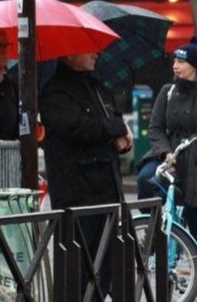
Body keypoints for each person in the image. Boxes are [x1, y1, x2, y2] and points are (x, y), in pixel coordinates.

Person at [140, 38, 197, 302]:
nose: (175, 65)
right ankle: (151, 233)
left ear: (194, 66)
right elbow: (156, 128)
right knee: (146, 180)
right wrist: (165, 152)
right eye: (174, 60)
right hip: (173, 159)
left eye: (180, 61)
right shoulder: (167, 91)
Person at [39, 51, 133, 298]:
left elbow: (113, 118)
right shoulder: (55, 92)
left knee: (104, 270)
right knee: (77, 273)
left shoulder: (97, 85)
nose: (97, 53)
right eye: (87, 49)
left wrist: (122, 136)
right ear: (69, 54)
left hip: (107, 191)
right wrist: (117, 128)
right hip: (76, 195)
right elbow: (81, 128)